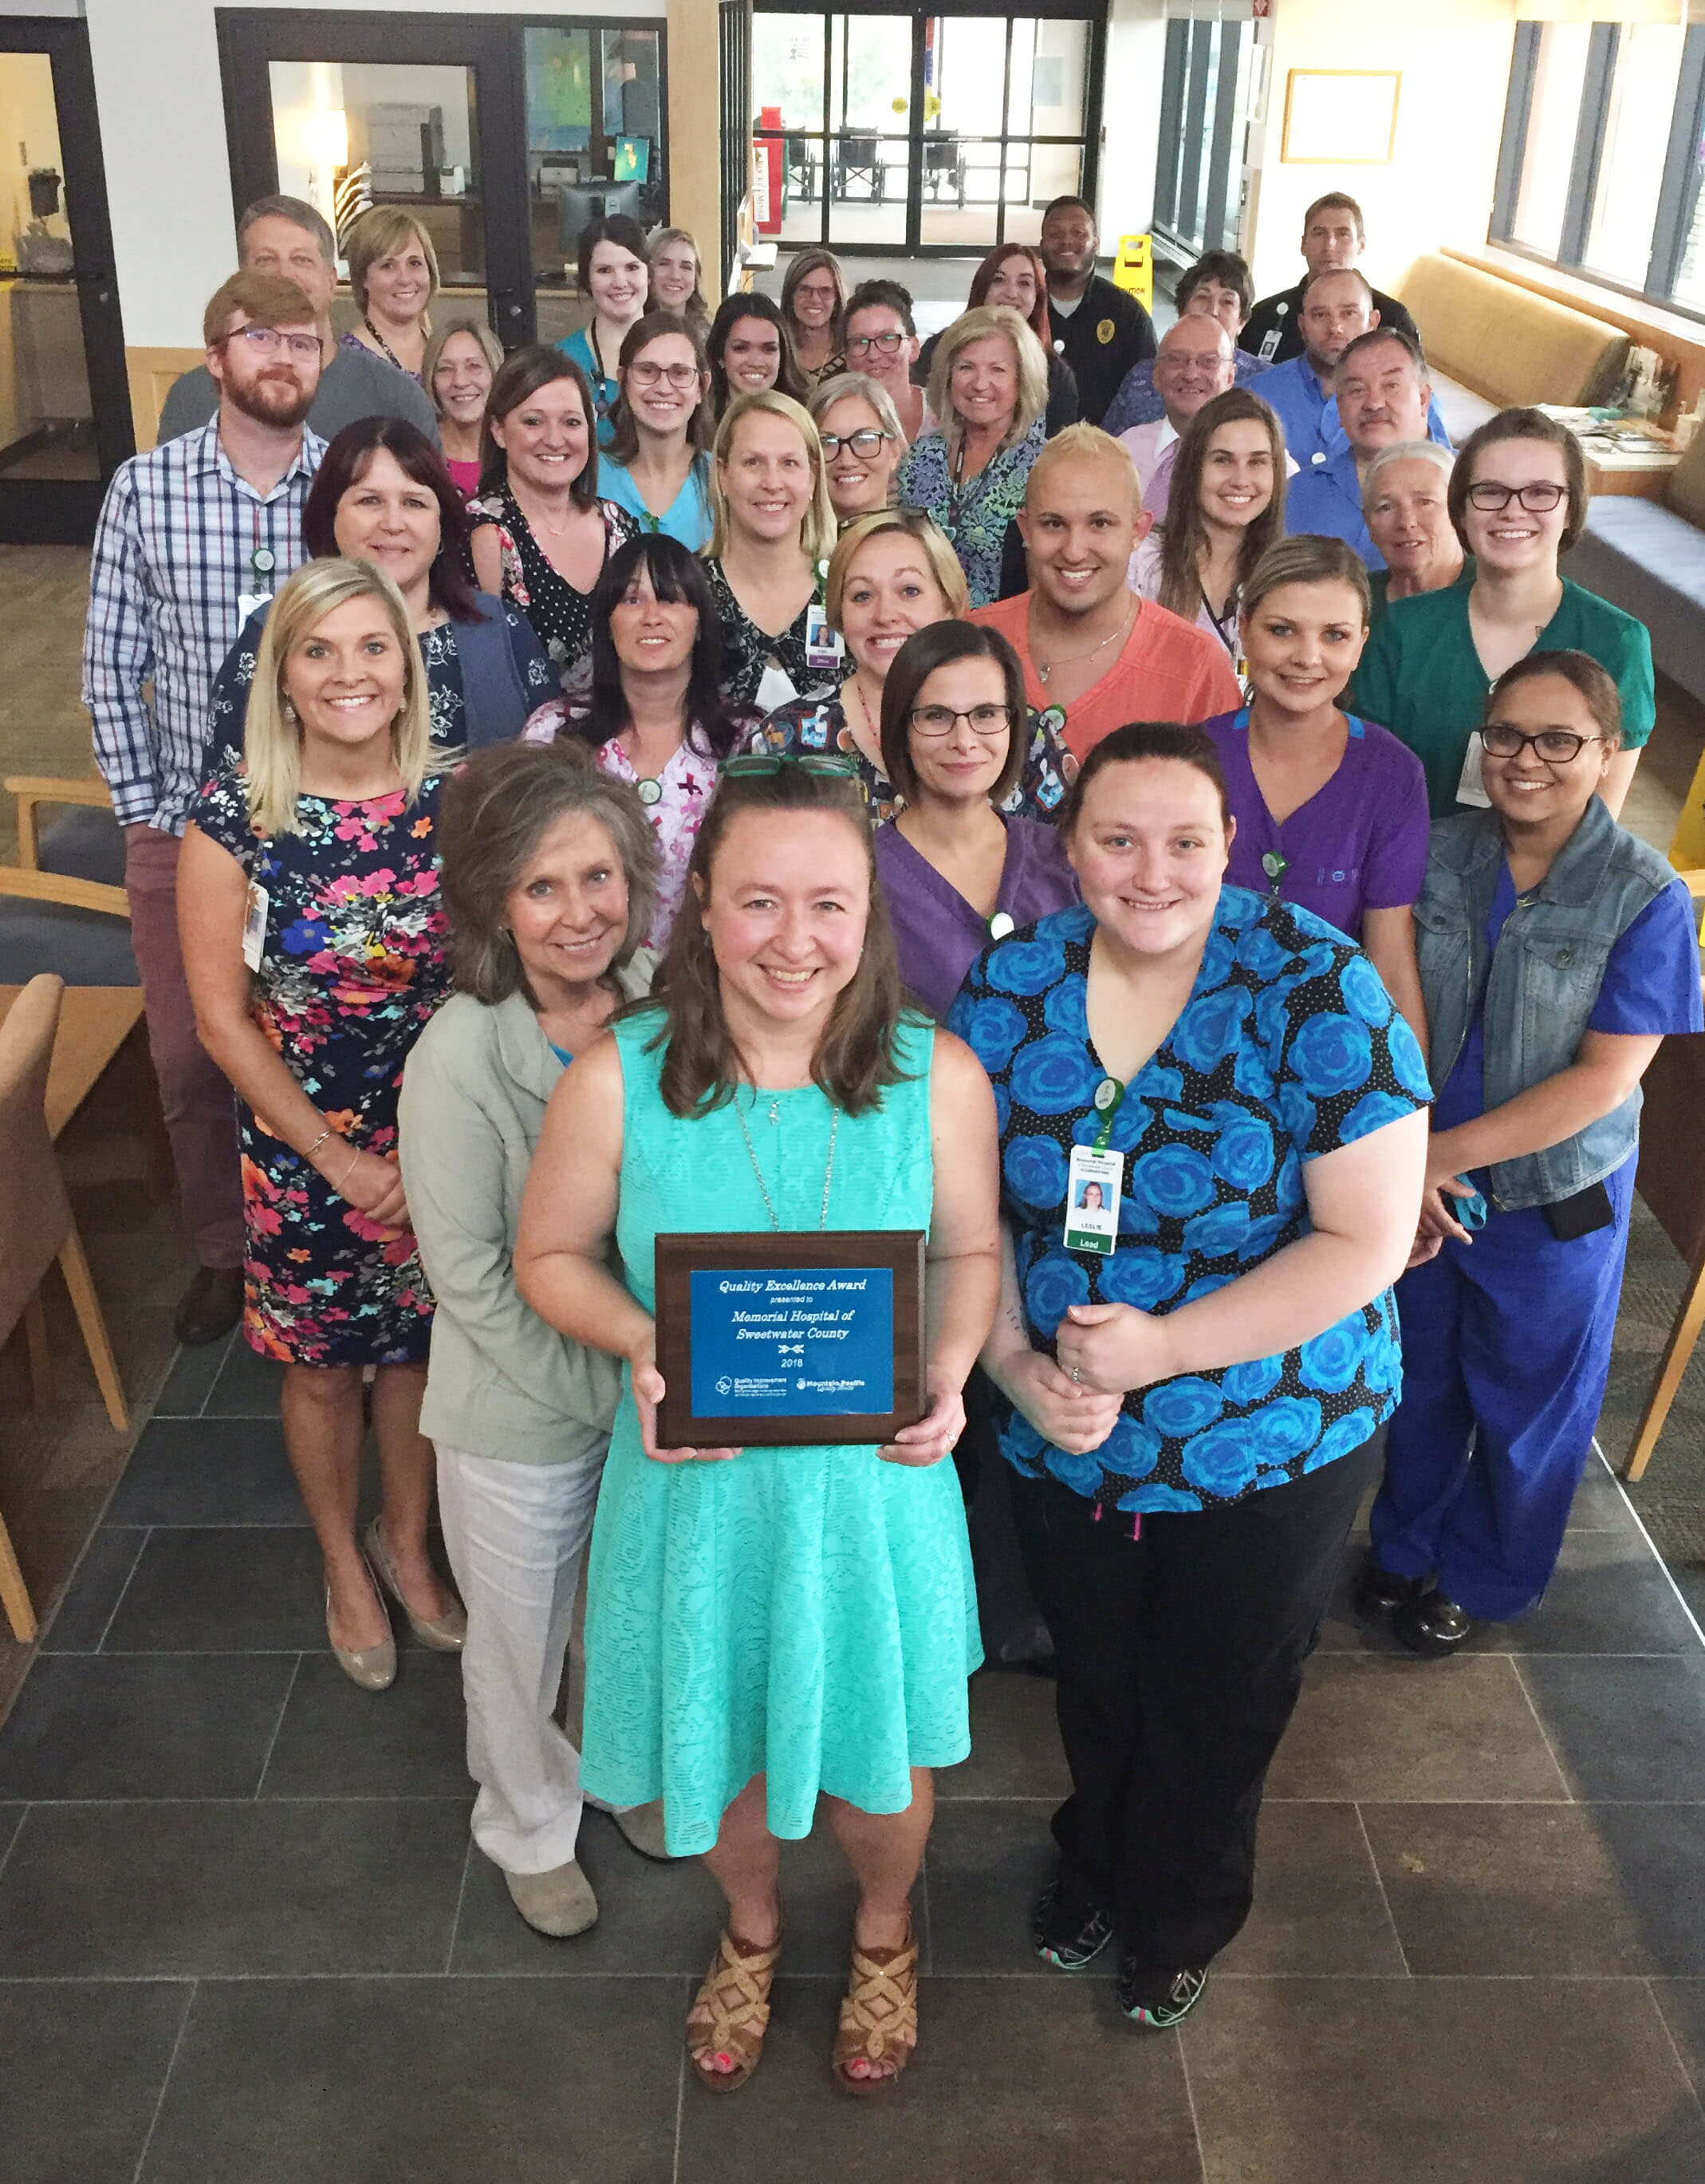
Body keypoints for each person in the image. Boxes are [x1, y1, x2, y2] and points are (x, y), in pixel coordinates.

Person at [513, 759, 1000, 2093]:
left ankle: (887, 1931)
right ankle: (750, 1924)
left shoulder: (934, 1073)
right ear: (703, 910)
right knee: (713, 1730)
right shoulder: (622, 1074)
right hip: (697, 1474)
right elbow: (549, 1252)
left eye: (828, 903)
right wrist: (644, 1343)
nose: (795, 939)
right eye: (760, 901)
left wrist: (951, 1368)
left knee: (876, 1756)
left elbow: (967, 1251)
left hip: (869, 1483)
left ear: (869, 916)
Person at [947, 720, 1430, 2028]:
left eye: (1183, 840)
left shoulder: (1315, 986)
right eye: (1115, 838)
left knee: (1220, 1690)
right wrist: (1008, 1365)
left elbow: (1366, 1237)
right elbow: (963, 1218)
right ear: (1066, 848)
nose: (1148, 871)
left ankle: (1180, 1908)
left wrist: (1164, 1346)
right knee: (1096, 1672)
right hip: (1063, 1424)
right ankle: (1094, 1859)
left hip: (1271, 1432)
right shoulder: (1009, 990)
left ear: (1232, 846)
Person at [1360, 652, 1702, 1656]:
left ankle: (1483, 1575)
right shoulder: (1437, 853)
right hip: (1421, 1182)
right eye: (1505, 734)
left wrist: (1435, 1153)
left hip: (1546, 1200)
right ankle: (1402, 1539)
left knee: (1524, 1403)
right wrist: (1408, 1159)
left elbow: (1603, 1080)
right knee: (1416, 1379)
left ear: (1604, 752)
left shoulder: (1640, 895)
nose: (1526, 759)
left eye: (1559, 740)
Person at [177, 558, 463, 1691]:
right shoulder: (236, 818)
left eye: (372, 647)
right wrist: (335, 1154)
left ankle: (408, 1540)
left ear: (406, 667)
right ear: (282, 677)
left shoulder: (452, 798)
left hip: (437, 1139)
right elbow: (219, 1018)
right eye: (319, 651)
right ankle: (344, 1559)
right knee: (325, 1368)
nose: (349, 673)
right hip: (304, 1150)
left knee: (419, 1354)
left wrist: (426, 1146)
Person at [399, 741, 667, 1937]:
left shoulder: (666, 1001)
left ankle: (613, 1769)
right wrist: (628, 1385)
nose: (580, 914)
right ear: (494, 903)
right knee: (516, 1635)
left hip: (658, 1377)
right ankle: (524, 1819)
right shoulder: (456, 1056)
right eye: (544, 887)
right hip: (522, 1410)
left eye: (601, 878)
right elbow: (470, 1283)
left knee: (624, 1605)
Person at [84, 268, 327, 1349]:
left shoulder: (345, 490)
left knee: (315, 1045)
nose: (283, 357)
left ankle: (321, 1237)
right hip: (186, 832)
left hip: (321, 838)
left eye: (304, 340)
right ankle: (225, 1252)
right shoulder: (146, 488)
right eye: (260, 337)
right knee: (189, 1058)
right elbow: (107, 669)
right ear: (216, 355)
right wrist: (150, 814)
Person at [204, 417, 557, 771]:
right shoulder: (274, 632)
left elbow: (553, 785)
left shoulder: (501, 629)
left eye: (414, 503)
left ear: (442, 524)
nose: (392, 523)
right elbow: (228, 796)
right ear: (330, 516)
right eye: (370, 501)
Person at [1354, 408, 1655, 818]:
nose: (1513, 510)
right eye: (1491, 491)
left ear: (1570, 510)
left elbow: (1598, 830)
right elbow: (1368, 790)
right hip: (1412, 868)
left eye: (1540, 492)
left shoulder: (1617, 642)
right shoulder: (1403, 629)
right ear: (1460, 511)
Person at [1200, 535, 1429, 1046]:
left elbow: (1390, 958)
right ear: (1243, 629)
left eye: (1335, 635)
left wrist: (1414, 1113)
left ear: (1362, 643)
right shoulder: (1192, 759)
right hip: (1192, 1032)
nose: (1308, 657)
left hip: (1331, 1044)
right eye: (1282, 630)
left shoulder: (1392, 775)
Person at [746, 504, 1072, 828]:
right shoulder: (786, 739)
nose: (885, 614)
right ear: (838, 613)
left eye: (910, 591)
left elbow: (1079, 865)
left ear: (949, 601)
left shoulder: (1025, 736)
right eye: (862, 596)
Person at [968, 427, 1242, 763]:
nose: (1074, 551)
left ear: (1138, 531)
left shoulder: (1196, 666)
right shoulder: (972, 642)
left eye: (1100, 523)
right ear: (1025, 529)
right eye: (1054, 524)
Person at [872, 621, 1077, 1020]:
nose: (964, 741)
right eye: (936, 716)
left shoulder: (1067, 860)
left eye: (986, 714)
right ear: (901, 729)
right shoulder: (862, 879)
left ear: (1014, 724)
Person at [541, 534, 738, 949]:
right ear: (608, 624)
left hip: (709, 981)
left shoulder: (745, 739)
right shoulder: (554, 732)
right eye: (631, 600)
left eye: (670, 600)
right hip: (581, 970)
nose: (652, 616)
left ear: (700, 622)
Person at [156, 195, 439, 447]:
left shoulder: (398, 398)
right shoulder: (194, 395)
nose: (284, 275)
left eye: (301, 260)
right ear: (243, 279)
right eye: (266, 261)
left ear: (331, 281)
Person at [467, 348, 640, 680]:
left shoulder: (617, 524)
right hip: (526, 731)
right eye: (533, 421)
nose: (554, 439)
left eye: (572, 422)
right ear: (498, 431)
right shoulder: (486, 533)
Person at [896, 305, 1049, 609]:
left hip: (1002, 641)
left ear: (1022, 379)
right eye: (967, 367)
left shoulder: (1046, 467)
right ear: (949, 376)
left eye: (998, 369)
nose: (980, 384)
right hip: (921, 636)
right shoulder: (921, 456)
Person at [701, 388, 838, 723]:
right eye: (753, 462)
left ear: (813, 476)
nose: (772, 482)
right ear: (722, 474)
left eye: (789, 463)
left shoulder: (850, 588)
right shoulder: (683, 591)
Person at [1130, 388, 1286, 668]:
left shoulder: (1287, 578)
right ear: (1193, 468)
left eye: (1257, 461)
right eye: (1222, 460)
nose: (1240, 479)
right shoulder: (1141, 563)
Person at [1254, 269, 1451, 476]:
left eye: (1349, 313)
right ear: (1302, 326)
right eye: (1320, 315)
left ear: (1373, 322)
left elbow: (1443, 481)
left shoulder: (1415, 402)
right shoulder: (1257, 396)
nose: (1335, 328)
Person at [1283, 327, 1435, 567]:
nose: (1374, 403)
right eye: (1357, 390)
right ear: (1339, 408)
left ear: (1423, 399)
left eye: (1391, 385)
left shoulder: (1467, 485)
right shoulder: (1294, 494)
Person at [1101, 250, 1270, 438]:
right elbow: (1108, 447)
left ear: (1242, 322)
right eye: (1202, 297)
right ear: (1181, 310)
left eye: (1227, 301)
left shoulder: (1267, 381)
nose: (1213, 310)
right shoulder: (1143, 377)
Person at [1240, 191, 1420, 367]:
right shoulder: (1265, 317)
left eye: (1343, 234)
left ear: (1361, 245)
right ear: (1304, 244)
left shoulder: (1393, 318)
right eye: (1319, 233)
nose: (1329, 245)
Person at [917, 248, 1081, 440]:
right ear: (982, 287)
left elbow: (1059, 453)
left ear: (1038, 295)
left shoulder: (1056, 374)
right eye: (998, 280)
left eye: (1024, 283)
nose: (1011, 293)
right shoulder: (938, 349)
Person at [597, 311, 714, 550]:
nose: (663, 388)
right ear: (622, 381)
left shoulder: (723, 479)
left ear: (702, 387)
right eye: (647, 371)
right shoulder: (590, 476)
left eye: (680, 373)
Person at [1038, 195, 1156, 428]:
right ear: (1042, 244)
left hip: (1103, 450)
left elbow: (1146, 391)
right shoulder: (1023, 308)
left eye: (1078, 233)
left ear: (1096, 242)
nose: (1066, 241)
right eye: (1055, 234)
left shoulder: (1127, 314)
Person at [1114, 316, 1236, 518]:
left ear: (1230, 377)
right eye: (1177, 360)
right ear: (1156, 376)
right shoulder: (1123, 452)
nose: (1190, 374)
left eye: (1208, 362)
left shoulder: (1260, 459)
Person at [560, 215, 651, 446]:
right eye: (604, 270)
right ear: (587, 280)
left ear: (648, 274)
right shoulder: (562, 362)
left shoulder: (678, 352)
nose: (620, 282)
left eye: (632, 267)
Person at [1362, 441, 1466, 621]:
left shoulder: (1494, 593)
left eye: (1425, 502)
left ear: (1459, 510)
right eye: (1386, 507)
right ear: (1369, 523)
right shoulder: (1356, 601)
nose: (1406, 522)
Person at [340, 206, 437, 382]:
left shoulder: (445, 350)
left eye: (414, 263)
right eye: (388, 266)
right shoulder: (347, 363)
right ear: (363, 278)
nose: (405, 279)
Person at [809, 372, 905, 526]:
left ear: (895, 451)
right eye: (828, 442)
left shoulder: (918, 546)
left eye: (864, 440)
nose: (846, 461)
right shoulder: (790, 547)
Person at [423, 319, 503, 500]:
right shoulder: (419, 448)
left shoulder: (517, 445)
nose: (460, 381)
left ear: (495, 371)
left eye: (474, 366)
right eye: (445, 369)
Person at [841, 278, 926, 444]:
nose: (873, 355)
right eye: (860, 342)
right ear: (846, 357)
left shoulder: (946, 414)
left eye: (887, 339)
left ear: (913, 348)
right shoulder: (833, 420)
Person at [705, 291, 809, 418]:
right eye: (741, 348)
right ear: (720, 356)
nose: (756, 362)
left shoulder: (804, 419)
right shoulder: (693, 422)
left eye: (769, 349)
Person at [780, 246, 848, 388]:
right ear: (790, 295)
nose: (815, 299)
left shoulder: (853, 355)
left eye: (825, 291)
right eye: (805, 289)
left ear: (837, 298)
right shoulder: (775, 351)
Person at [648, 227, 709, 324]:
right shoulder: (630, 333)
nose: (675, 276)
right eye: (664, 264)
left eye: (686, 267)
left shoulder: (711, 336)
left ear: (696, 278)